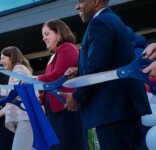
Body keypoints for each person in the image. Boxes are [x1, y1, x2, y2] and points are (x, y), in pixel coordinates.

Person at [60, 0, 151, 149]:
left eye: (81, 1)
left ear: (95, 2)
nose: (77, 6)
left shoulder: (100, 23)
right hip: (120, 107)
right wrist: (80, 70)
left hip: (112, 108)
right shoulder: (111, 19)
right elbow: (110, 60)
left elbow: (96, 68)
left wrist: (76, 98)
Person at [34, 19, 85, 150]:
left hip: (66, 108)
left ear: (59, 34)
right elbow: (50, 84)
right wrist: (41, 98)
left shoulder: (67, 47)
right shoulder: (54, 54)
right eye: (43, 35)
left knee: (68, 145)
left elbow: (59, 75)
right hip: (55, 111)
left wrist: (33, 78)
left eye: (47, 34)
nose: (44, 38)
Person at [0, 46, 35, 150]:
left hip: (26, 118)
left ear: (11, 57)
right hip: (25, 118)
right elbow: (13, 101)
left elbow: (14, 92)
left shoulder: (19, 69)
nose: (1, 61)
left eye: (3, 58)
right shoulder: (15, 71)